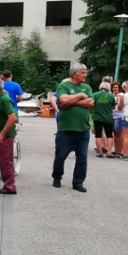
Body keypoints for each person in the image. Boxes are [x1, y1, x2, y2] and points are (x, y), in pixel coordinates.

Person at [51, 63, 94, 192]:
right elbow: (63, 101)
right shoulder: (64, 86)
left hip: (83, 129)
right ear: (74, 74)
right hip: (66, 129)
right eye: (83, 73)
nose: (85, 75)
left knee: (82, 158)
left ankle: (78, 182)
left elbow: (91, 102)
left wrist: (71, 102)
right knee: (60, 156)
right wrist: (80, 96)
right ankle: (57, 177)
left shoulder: (87, 87)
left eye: (85, 72)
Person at [92, 81, 116, 158]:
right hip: (108, 118)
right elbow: (113, 107)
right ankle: (109, 152)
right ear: (108, 88)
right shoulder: (111, 96)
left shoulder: (95, 95)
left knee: (98, 135)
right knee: (109, 135)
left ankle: (100, 152)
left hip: (97, 117)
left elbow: (92, 104)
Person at [110, 81, 124, 157]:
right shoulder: (111, 95)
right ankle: (116, 150)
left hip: (119, 116)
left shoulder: (121, 95)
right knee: (115, 134)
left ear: (119, 88)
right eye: (114, 87)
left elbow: (121, 106)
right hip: (112, 116)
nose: (115, 89)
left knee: (119, 133)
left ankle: (120, 151)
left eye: (117, 87)